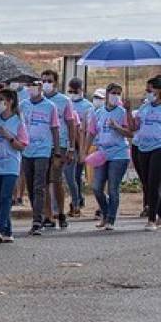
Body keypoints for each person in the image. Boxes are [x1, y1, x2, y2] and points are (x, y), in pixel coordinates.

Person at [83, 83, 133, 231]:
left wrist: (117, 127)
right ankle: (104, 213)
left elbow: (130, 132)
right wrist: (85, 151)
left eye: (118, 93)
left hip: (119, 153)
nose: (115, 96)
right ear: (107, 94)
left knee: (113, 187)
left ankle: (111, 218)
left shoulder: (122, 112)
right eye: (113, 93)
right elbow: (91, 132)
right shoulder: (98, 112)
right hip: (102, 152)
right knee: (97, 187)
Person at [18, 79, 61, 236]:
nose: (31, 88)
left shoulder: (50, 106)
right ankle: (36, 212)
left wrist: (56, 151)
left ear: (40, 87)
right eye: (29, 85)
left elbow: (55, 129)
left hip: (43, 150)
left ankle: (37, 219)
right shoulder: (23, 105)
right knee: (30, 185)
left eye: (34, 85)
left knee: (39, 185)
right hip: (27, 150)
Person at [0, 88, 29, 243]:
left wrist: (9, 137)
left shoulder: (18, 122)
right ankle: (7, 231)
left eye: (1, 99)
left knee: (5, 197)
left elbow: (22, 146)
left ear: (9, 102)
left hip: (10, 164)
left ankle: (1, 226)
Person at [41, 70, 78, 229]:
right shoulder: (39, 101)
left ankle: (61, 211)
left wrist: (71, 148)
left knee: (55, 180)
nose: (46, 84)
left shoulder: (64, 101)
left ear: (56, 82)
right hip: (42, 146)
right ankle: (48, 215)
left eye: (49, 80)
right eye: (43, 81)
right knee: (44, 182)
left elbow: (71, 125)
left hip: (60, 145)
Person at [136, 77, 161, 230]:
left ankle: (151, 218)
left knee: (153, 182)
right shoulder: (144, 107)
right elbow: (134, 127)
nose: (148, 93)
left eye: (150, 90)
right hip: (143, 147)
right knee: (146, 182)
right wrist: (126, 110)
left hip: (159, 147)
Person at [65, 78, 92, 217]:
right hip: (68, 143)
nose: (73, 94)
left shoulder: (88, 106)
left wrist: (83, 149)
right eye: (70, 91)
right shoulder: (66, 103)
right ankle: (77, 200)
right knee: (71, 177)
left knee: (76, 176)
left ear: (81, 90)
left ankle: (77, 201)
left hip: (79, 144)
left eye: (75, 91)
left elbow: (86, 129)